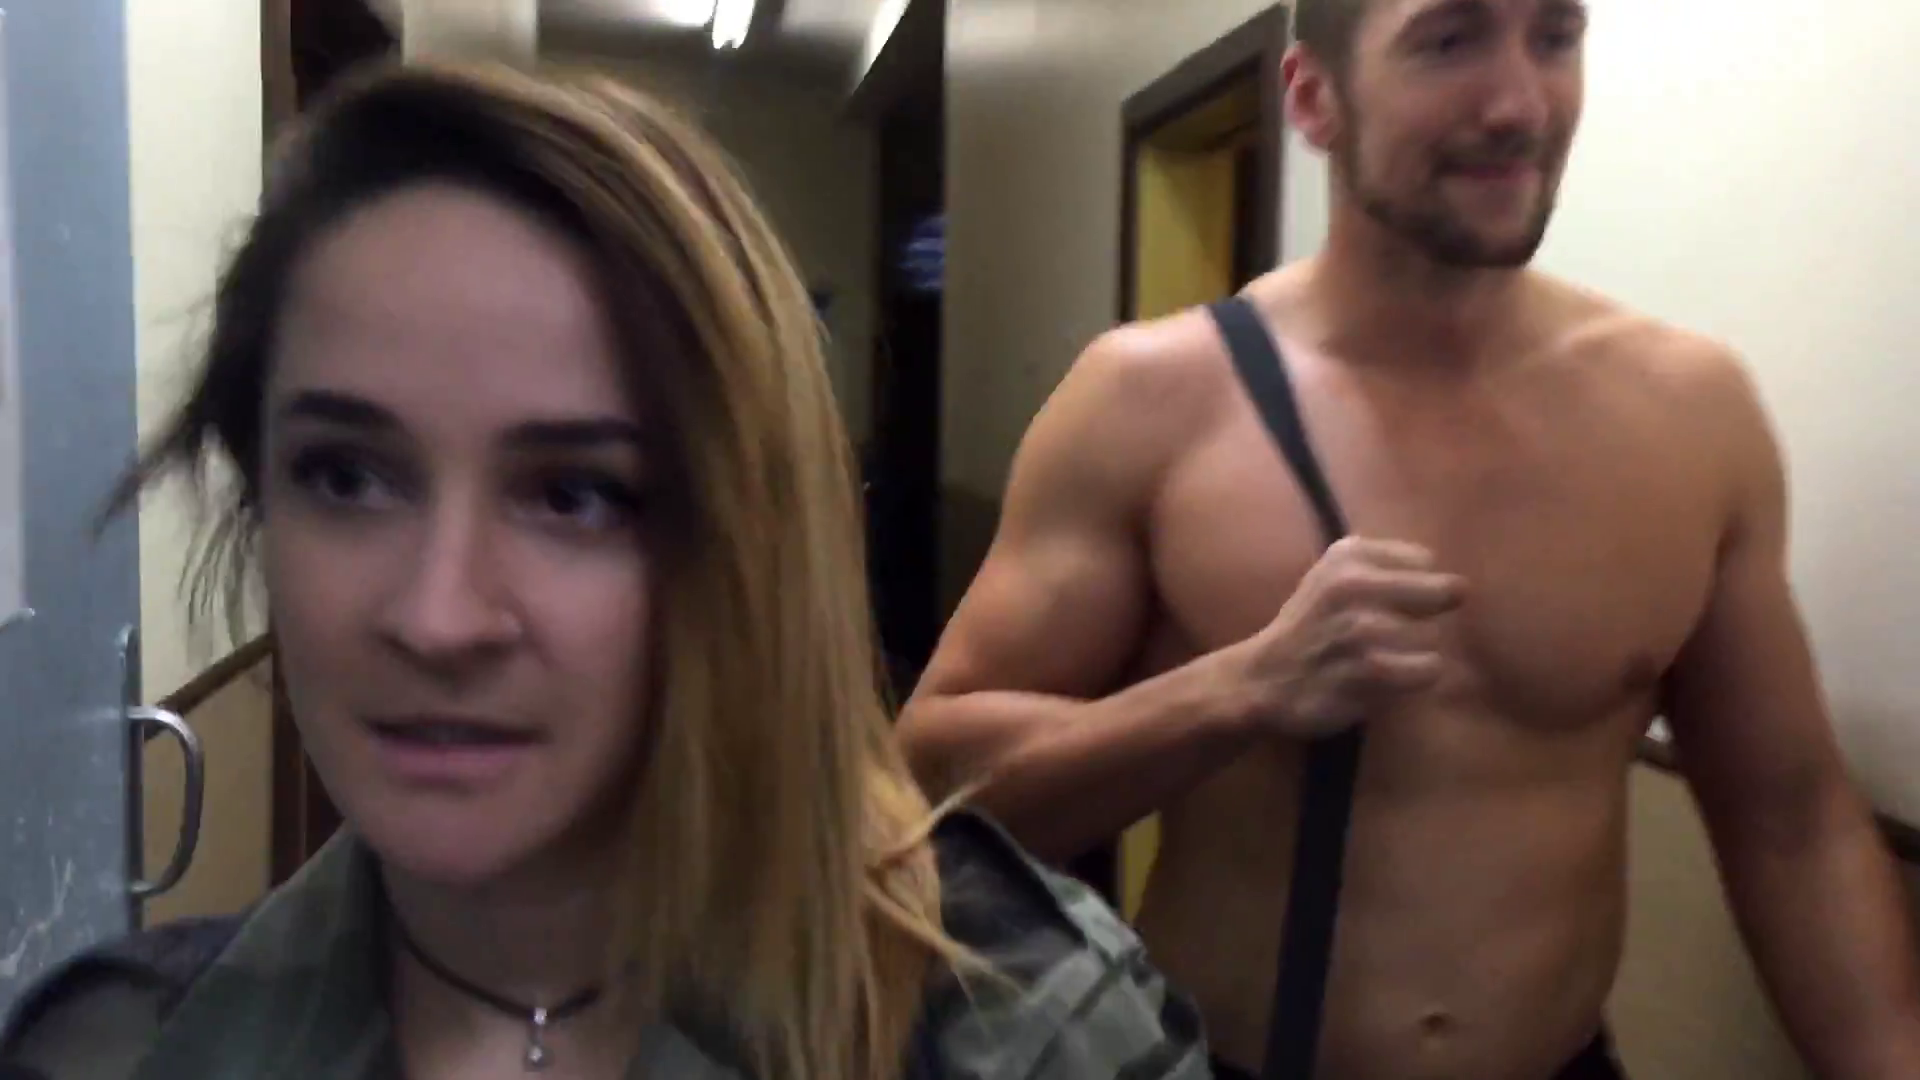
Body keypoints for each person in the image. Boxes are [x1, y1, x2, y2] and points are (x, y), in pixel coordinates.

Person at [0, 62, 1209, 1080]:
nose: (438, 617)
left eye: (575, 495)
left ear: (749, 547)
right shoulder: (112, 1051)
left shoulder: (1034, 1031)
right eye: (348, 477)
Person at [898, 0, 1920, 1078]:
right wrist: (1235, 691)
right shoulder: (1150, 402)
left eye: (1554, 39)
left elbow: (1791, 826)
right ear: (1313, 99)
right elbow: (929, 785)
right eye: (1449, 41)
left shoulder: (1690, 414)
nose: (1519, 103)